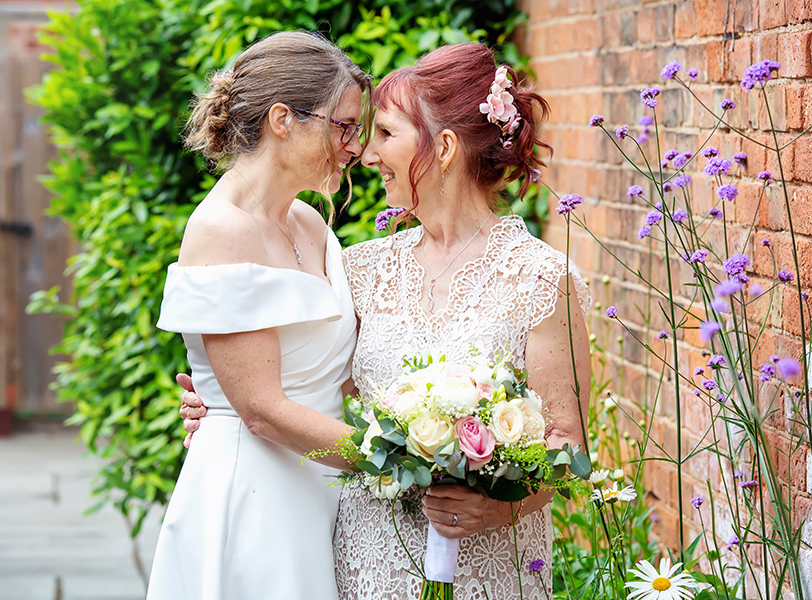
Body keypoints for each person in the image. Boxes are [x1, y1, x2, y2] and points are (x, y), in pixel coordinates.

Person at [181, 43, 592, 599]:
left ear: (443, 148)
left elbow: (568, 446)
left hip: (490, 565)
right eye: (357, 131)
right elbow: (307, 380)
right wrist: (220, 403)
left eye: (385, 134)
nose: (364, 153)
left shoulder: (543, 279)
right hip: (367, 554)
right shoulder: (361, 268)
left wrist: (497, 509)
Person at [147, 31, 372, 600]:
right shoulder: (221, 230)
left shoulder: (311, 224)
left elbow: (341, 371)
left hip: (322, 485)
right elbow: (262, 411)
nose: (356, 148)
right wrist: (398, 460)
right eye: (344, 126)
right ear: (283, 119)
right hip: (256, 499)